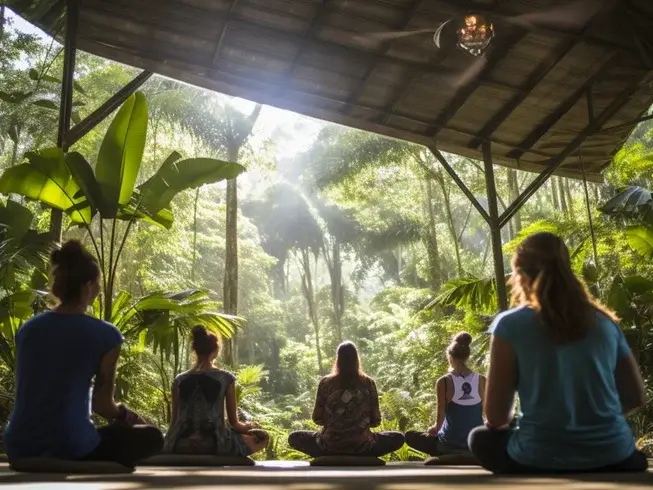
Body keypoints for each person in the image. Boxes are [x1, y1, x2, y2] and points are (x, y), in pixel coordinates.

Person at [469, 232, 648, 474]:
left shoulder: (510, 325)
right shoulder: (605, 323)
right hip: (613, 455)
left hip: (537, 456)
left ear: (520, 274)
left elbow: (496, 416)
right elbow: (636, 395)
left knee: (480, 438)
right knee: (632, 456)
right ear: (567, 269)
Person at [3, 240, 163, 467]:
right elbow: (102, 405)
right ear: (88, 286)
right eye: (97, 284)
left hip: (19, 444)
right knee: (152, 437)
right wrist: (127, 416)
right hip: (72, 445)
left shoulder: (27, 330)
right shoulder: (106, 335)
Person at [163, 326, 269, 456]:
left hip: (180, 444)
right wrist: (249, 426)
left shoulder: (179, 380)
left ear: (195, 350)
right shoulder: (226, 378)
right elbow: (234, 423)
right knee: (263, 438)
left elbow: (174, 423)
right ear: (216, 350)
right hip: (215, 445)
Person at [288, 341, 404, 458]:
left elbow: (317, 418)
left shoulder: (326, 383)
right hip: (364, 446)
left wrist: (336, 423)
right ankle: (361, 455)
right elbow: (376, 422)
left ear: (337, 359)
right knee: (398, 437)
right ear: (357, 359)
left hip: (328, 446)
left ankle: (332, 454)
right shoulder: (368, 383)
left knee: (294, 437)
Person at [405, 332, 485, 456]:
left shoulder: (444, 381)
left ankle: (449, 451)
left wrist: (435, 428)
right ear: (467, 356)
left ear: (450, 356)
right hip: (476, 443)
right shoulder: (482, 380)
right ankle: (469, 452)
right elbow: (486, 414)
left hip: (447, 444)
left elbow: (440, 415)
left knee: (410, 436)